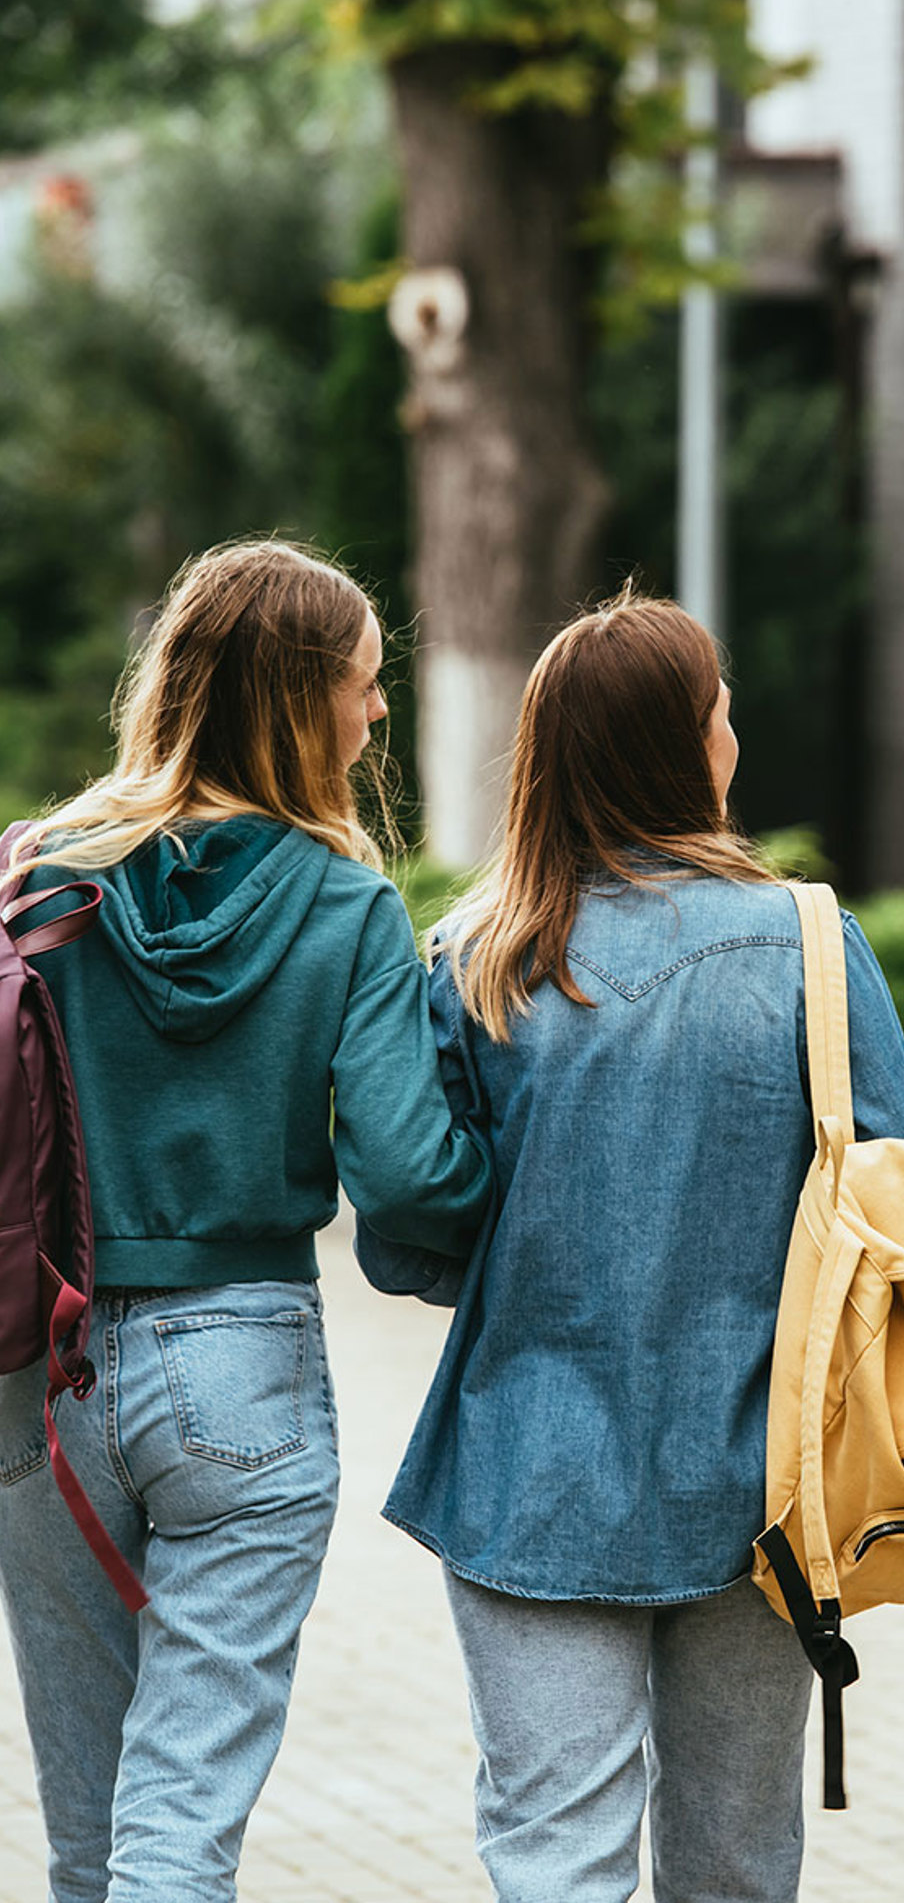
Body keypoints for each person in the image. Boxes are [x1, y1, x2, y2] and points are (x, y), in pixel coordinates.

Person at [356, 594, 904, 1903]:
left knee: (551, 1860)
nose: (734, 728)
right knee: (736, 1867)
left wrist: (526, 1257)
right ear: (688, 746)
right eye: (718, 706)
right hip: (763, 1486)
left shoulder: (473, 962)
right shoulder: (809, 945)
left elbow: (404, 1243)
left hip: (528, 1476)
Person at [0, 540, 491, 1903]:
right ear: (297, 702)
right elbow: (408, 1178)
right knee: (182, 1818)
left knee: (91, 1831)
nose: (377, 714)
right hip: (242, 1368)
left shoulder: (32, 880)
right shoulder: (348, 906)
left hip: (42, 1366)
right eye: (364, 687)